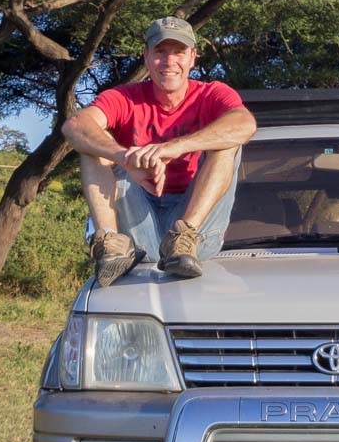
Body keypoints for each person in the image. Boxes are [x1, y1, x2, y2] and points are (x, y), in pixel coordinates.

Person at [63, 16, 256, 285]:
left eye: (179, 52)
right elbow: (75, 126)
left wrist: (174, 147)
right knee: (92, 143)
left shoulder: (212, 94)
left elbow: (245, 125)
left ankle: (183, 236)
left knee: (227, 142)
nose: (169, 61)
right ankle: (109, 241)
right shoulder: (123, 97)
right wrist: (124, 157)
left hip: (197, 238)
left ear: (192, 58)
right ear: (146, 56)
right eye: (160, 52)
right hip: (137, 233)